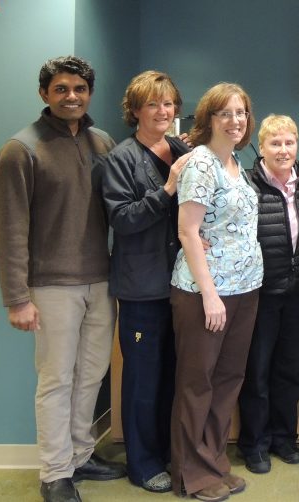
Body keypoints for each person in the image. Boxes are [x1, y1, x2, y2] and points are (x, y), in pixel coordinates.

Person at [0, 56, 126, 502]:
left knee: (91, 375)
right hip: (50, 287)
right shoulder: (22, 149)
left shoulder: (102, 141)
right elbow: (9, 228)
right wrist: (17, 298)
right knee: (56, 379)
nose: (72, 97)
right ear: (44, 94)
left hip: (100, 281)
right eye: (62, 89)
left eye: (80, 89)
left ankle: (81, 455)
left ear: (90, 92)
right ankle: (54, 472)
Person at [169, 82, 263, 502]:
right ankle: (191, 474)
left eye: (241, 112)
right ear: (208, 119)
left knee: (228, 381)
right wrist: (209, 295)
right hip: (205, 293)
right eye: (225, 113)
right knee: (197, 383)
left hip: (245, 288)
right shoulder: (202, 164)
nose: (235, 120)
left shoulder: (236, 162)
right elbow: (188, 230)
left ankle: (213, 463)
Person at [98, 70, 190, 493]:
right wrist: (168, 189)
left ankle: (170, 453)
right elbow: (123, 219)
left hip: (180, 284)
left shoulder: (181, 148)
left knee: (173, 375)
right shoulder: (119, 159)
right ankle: (142, 462)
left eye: (168, 103)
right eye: (152, 104)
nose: (163, 111)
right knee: (143, 380)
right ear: (135, 110)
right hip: (141, 287)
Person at [237, 115, 299, 474]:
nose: (283, 150)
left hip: (298, 294)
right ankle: (255, 444)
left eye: (289, 143)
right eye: (275, 144)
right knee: (258, 371)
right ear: (262, 148)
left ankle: (285, 438)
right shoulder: (248, 185)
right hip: (261, 295)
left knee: (289, 370)